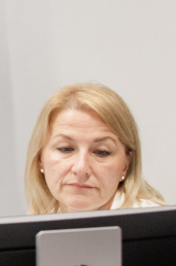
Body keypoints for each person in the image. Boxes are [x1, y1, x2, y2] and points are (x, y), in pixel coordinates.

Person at [24, 83, 165, 214]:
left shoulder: (155, 225)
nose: (81, 168)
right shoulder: (38, 224)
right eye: (65, 149)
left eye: (101, 152)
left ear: (125, 165)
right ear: (40, 158)